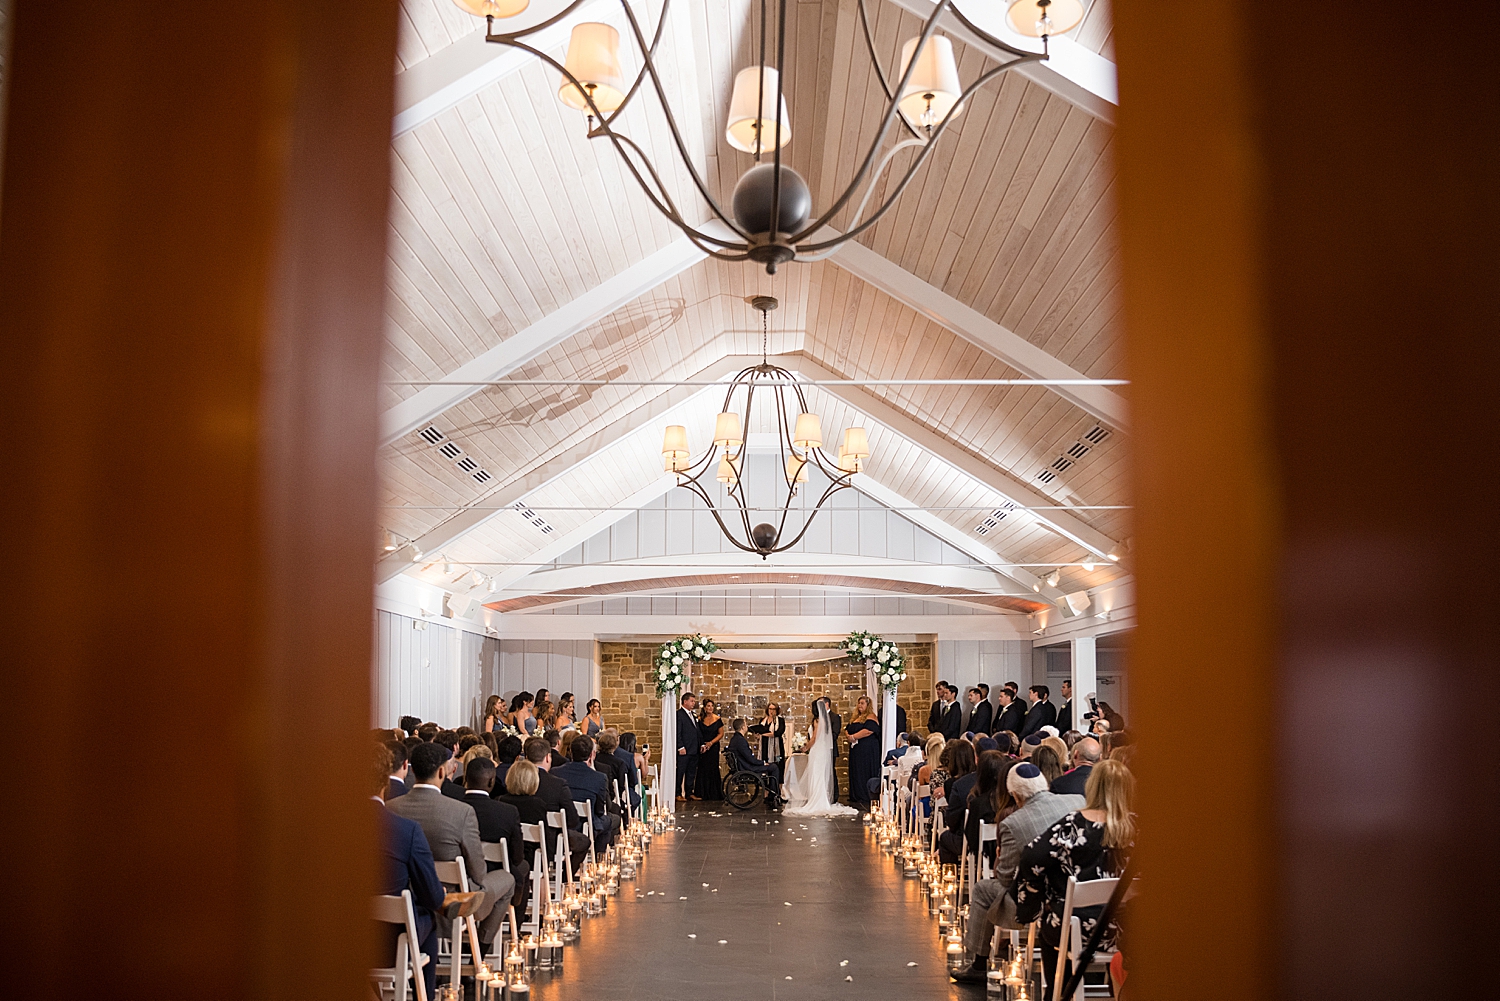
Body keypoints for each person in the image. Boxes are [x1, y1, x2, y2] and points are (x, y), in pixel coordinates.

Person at [951, 761, 1086, 984]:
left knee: (983, 889)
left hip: (1040, 898)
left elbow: (1005, 877)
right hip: (1080, 890)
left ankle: (978, 963)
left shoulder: (1013, 822)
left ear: (1014, 794)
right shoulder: (1076, 801)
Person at [1013, 760, 1135, 997]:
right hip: (1131, 932)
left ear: (1092, 787)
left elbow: (1031, 857)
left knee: (1051, 925)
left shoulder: (1073, 824)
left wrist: (1038, 900)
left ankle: (1058, 993)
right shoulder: (1140, 828)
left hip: (1078, 930)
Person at [386, 742, 516, 957]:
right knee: (507, 879)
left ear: (411, 769)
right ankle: (478, 952)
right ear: (440, 771)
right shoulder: (461, 811)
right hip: (451, 903)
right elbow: (478, 872)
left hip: (408, 898)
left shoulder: (391, 807)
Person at [372, 744, 445, 1001]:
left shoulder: (328, 828)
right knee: (427, 917)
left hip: (337, 938)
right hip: (389, 945)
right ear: (386, 781)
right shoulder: (406, 830)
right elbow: (434, 898)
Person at [460, 757, 529, 912]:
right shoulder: (507, 811)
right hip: (497, 871)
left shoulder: (453, 806)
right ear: (491, 782)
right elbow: (517, 857)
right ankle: (516, 923)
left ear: (466, 778)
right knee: (523, 867)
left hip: (460, 872)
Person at [522, 737, 590, 872]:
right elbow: (572, 820)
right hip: (551, 841)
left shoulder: (517, 781)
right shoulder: (557, 784)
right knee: (584, 842)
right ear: (548, 757)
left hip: (522, 840)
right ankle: (565, 877)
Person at [782, 701, 858, 817]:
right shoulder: (825, 720)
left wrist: (806, 747)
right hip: (822, 750)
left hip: (817, 750)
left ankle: (817, 800)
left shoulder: (817, 721)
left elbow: (814, 737)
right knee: (820, 776)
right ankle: (821, 799)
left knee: (816, 775)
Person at [554, 734, 621, 846]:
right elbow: (599, 810)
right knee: (611, 820)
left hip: (560, 823)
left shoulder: (555, 772)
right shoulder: (599, 777)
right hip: (586, 824)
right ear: (592, 754)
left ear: (571, 752)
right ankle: (600, 856)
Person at [935, 740, 980, 863]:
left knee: (944, 838)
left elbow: (952, 818)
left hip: (966, 836)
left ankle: (950, 876)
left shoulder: (955, 784)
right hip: (985, 835)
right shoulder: (981, 778)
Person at [725, 717, 780, 804]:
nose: (747, 726)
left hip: (743, 765)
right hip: (746, 768)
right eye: (746, 724)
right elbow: (750, 759)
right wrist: (762, 763)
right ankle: (773, 795)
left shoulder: (735, 739)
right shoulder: (740, 741)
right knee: (773, 767)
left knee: (770, 767)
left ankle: (772, 793)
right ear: (743, 727)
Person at [845, 695, 881, 811]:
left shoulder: (871, 716)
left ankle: (865, 795)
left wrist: (854, 736)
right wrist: (849, 736)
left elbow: (869, 730)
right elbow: (847, 729)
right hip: (856, 750)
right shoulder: (856, 717)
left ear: (868, 705)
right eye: (859, 703)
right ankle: (856, 794)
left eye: (862, 703)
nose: (860, 705)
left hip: (867, 750)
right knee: (856, 770)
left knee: (864, 770)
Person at [749, 702, 787, 787]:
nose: (771, 711)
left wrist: (764, 734)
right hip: (765, 748)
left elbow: (778, 733)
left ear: (777, 710)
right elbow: (759, 733)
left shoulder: (780, 721)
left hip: (777, 749)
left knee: (779, 767)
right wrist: (757, 735)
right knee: (765, 770)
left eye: (773, 709)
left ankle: (778, 792)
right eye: (770, 709)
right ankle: (766, 793)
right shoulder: (763, 720)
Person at [593, 730, 633, 810]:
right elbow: (621, 784)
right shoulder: (619, 763)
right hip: (612, 796)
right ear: (614, 746)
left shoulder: (594, 760)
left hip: (595, 793)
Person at [694, 699, 724, 801]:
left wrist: (711, 743)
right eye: (708, 706)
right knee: (702, 769)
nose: (710, 708)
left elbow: (721, 734)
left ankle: (714, 793)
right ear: (704, 707)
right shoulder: (699, 719)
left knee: (713, 768)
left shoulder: (717, 719)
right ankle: (701, 792)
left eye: (712, 706)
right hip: (702, 747)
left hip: (713, 747)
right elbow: (698, 733)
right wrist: (703, 744)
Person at [676, 691, 701, 801]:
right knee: (680, 771)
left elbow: (697, 731)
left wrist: (702, 743)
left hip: (694, 748)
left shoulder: (693, 715)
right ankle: (677, 793)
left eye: (694, 701)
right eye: (691, 701)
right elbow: (677, 732)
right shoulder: (679, 714)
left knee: (691, 772)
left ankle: (689, 792)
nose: (693, 703)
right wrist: (680, 746)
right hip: (684, 749)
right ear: (685, 701)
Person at [818, 696, 843, 802]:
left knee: (831, 771)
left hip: (830, 748)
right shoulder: (818, 717)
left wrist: (823, 739)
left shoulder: (835, 717)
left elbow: (835, 733)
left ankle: (834, 795)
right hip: (819, 749)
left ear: (827, 704)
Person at [616, 732, 643, 807]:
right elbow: (641, 776)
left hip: (617, 788)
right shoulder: (635, 757)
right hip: (629, 788)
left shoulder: (616, 755)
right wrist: (646, 760)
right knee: (641, 791)